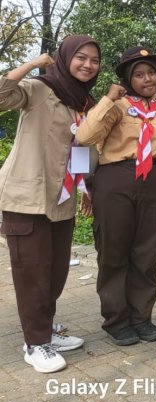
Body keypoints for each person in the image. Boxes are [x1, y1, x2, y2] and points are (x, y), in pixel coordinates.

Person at [0, 36, 100, 372]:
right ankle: (35, 344)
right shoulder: (40, 88)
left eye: (94, 60)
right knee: (32, 273)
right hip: (27, 198)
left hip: (63, 198)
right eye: (81, 58)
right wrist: (31, 64)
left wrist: (85, 188)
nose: (87, 65)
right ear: (64, 58)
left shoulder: (84, 102)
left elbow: (82, 148)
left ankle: (46, 331)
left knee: (55, 271)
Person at [76, 46, 156, 346]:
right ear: (126, 79)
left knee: (146, 254)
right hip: (116, 179)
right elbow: (84, 137)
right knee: (114, 252)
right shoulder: (115, 108)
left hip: (155, 181)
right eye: (139, 74)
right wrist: (109, 98)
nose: (147, 79)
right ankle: (116, 320)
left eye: (152, 73)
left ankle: (141, 317)